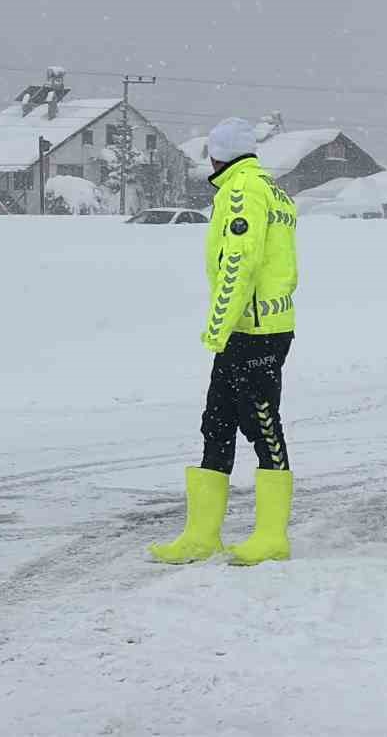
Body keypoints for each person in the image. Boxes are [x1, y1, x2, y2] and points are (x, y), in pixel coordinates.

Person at [151, 117, 300, 566]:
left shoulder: (240, 192)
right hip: (256, 328)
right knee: (216, 423)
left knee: (261, 425)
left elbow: (239, 264)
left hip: (253, 333)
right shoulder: (273, 190)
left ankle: (272, 537)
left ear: (218, 155)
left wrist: (218, 328)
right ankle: (201, 535)